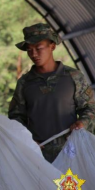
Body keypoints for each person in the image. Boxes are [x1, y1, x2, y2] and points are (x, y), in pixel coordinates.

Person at [8, 23, 95, 163]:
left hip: (71, 152)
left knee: (69, 185)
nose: (34, 54)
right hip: (38, 155)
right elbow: (16, 117)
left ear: (52, 46)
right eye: (29, 50)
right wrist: (27, 140)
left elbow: (90, 108)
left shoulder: (74, 77)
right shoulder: (24, 83)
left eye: (39, 48)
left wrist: (82, 123)